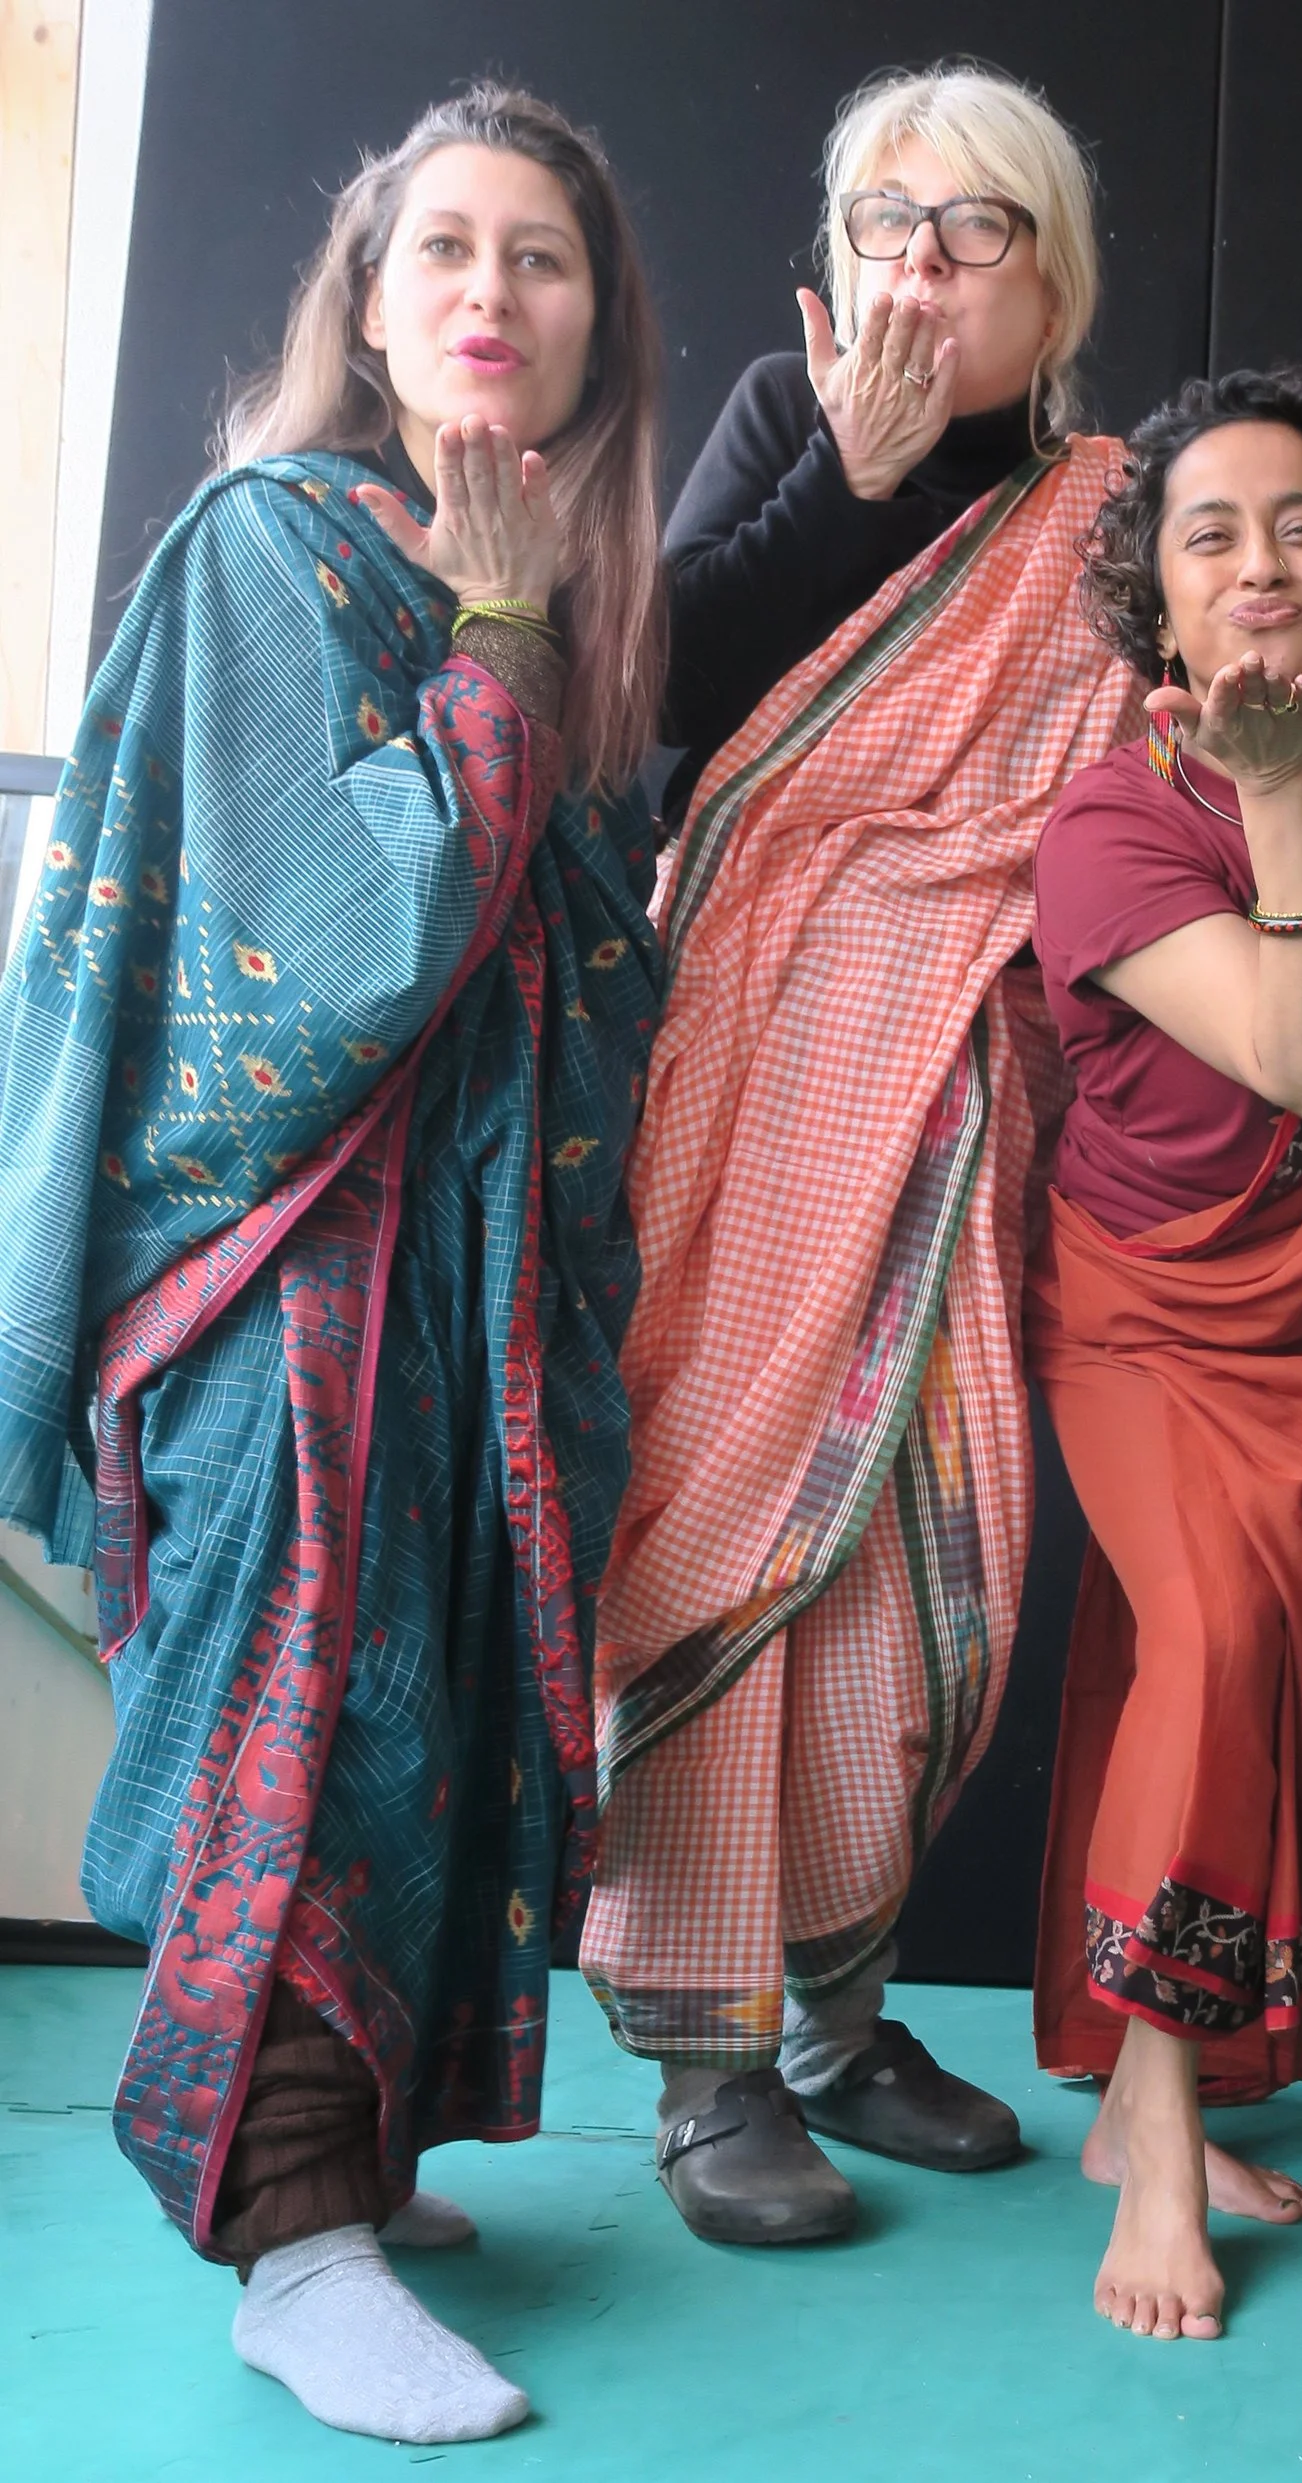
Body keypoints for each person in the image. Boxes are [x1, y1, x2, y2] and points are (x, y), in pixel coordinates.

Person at [0, 87, 666, 2441]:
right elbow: (351, 939)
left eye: (545, 260)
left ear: (598, 332)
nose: (494, 294)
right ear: (368, 311)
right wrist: (490, 645)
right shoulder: (276, 544)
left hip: (470, 1293)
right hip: (291, 1288)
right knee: (303, 1721)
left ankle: (354, 2143)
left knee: (432, 1711)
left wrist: (514, 635)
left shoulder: (540, 589)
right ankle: (292, 2240)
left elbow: (568, 973)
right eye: (447, 254)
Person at [578, 62, 1138, 2244]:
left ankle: (834, 2010)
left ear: (1049, 271)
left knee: (917, 1564)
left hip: (971, 1094)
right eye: (880, 214)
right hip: (749, 1074)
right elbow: (651, 696)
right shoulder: (773, 418)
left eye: (972, 223)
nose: (917, 256)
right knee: (728, 1535)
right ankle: (711, 2068)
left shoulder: (1114, 500)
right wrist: (845, 477)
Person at [1026, 370, 1302, 2340]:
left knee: (1217, 1674)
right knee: (1206, 1652)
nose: (1259, 561)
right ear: (1158, 602)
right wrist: (1277, 789)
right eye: (1206, 533)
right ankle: (1149, 2110)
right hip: (1150, 1318)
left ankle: (1161, 2103)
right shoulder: (1114, 829)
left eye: (1296, 521)